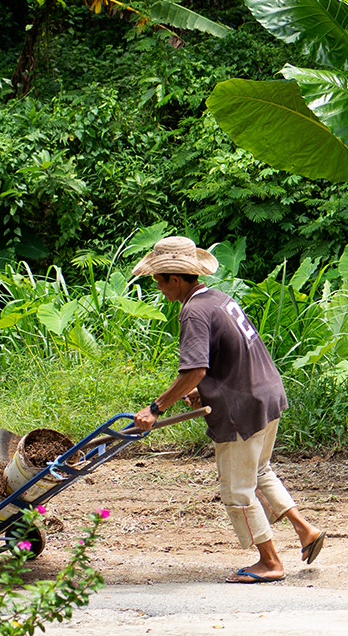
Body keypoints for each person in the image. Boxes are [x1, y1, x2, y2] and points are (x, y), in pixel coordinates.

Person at [130, 235, 326, 583]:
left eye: (158, 280)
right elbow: (225, 358)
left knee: (237, 490)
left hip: (242, 407)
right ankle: (305, 530)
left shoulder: (193, 311)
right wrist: (201, 393)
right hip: (266, 394)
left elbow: (195, 370)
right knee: (260, 471)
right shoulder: (218, 299)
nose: (158, 287)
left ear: (175, 278)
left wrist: (155, 408)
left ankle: (270, 563)